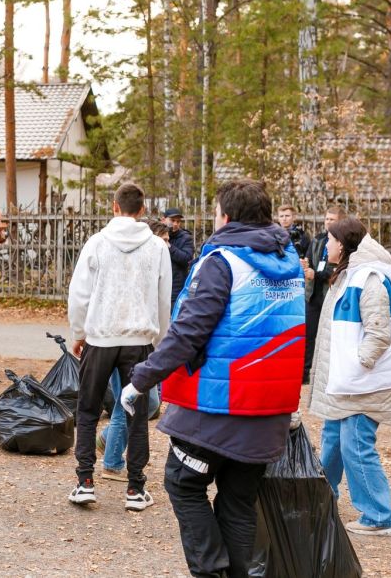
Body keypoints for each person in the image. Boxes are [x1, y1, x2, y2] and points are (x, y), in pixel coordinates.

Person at [125, 178, 306, 578]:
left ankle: (210, 571)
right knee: (238, 500)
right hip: (269, 406)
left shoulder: (222, 261)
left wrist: (142, 378)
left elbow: (189, 331)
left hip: (219, 402)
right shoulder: (290, 265)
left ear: (226, 216)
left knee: (183, 482)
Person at [67, 183, 171, 512]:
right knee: (137, 416)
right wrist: (159, 340)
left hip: (100, 336)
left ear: (114, 207)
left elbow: (79, 292)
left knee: (87, 411)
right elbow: (162, 296)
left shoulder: (97, 244)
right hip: (139, 339)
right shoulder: (157, 247)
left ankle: (85, 481)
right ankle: (135, 488)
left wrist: (79, 332)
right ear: (142, 210)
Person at [310, 216, 391, 538]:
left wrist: (357, 366)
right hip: (346, 382)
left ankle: (381, 516)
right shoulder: (347, 276)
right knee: (333, 441)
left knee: (355, 446)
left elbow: (378, 334)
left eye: (330, 239)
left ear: (345, 244)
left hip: (361, 384)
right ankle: (323, 499)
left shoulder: (369, 280)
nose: (326, 244)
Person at [97, 219, 169, 480]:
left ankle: (108, 440)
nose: (167, 244)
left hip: (134, 339)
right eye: (165, 239)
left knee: (146, 401)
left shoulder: (146, 263)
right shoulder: (140, 259)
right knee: (126, 402)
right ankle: (112, 461)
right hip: (125, 341)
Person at [302, 204, 347, 383]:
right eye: (326, 219)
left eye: (332, 220)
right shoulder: (318, 239)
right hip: (313, 294)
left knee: (330, 336)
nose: (328, 222)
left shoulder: (343, 242)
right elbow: (310, 260)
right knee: (309, 334)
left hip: (329, 293)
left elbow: (338, 269)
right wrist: (306, 267)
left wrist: (317, 274)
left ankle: (330, 374)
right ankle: (305, 374)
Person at [161, 207, 195, 299]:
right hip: (159, 287)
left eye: (178, 221)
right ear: (163, 220)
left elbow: (187, 259)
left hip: (176, 289)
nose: (175, 224)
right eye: (172, 220)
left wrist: (169, 246)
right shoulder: (155, 235)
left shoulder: (186, 237)